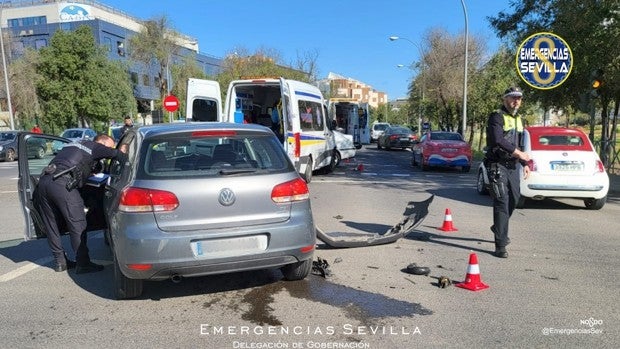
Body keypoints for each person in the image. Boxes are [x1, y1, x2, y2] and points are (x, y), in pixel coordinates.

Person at [33, 134, 128, 273]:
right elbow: (117, 155)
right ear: (102, 142)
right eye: (109, 145)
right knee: (77, 223)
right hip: (62, 183)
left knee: (51, 225)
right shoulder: (95, 146)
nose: (108, 149)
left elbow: (80, 165)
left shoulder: (74, 144)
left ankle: (60, 262)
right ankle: (83, 263)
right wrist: (123, 152)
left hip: (44, 182)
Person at [484, 86, 531, 258]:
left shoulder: (519, 119)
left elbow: (521, 143)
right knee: (502, 202)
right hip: (497, 164)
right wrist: (518, 153)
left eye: (518, 98)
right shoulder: (496, 116)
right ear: (505, 99)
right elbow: (498, 139)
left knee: (515, 199)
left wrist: (525, 162)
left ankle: (498, 226)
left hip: (513, 165)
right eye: (512, 98)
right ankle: (501, 245)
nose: (516, 101)